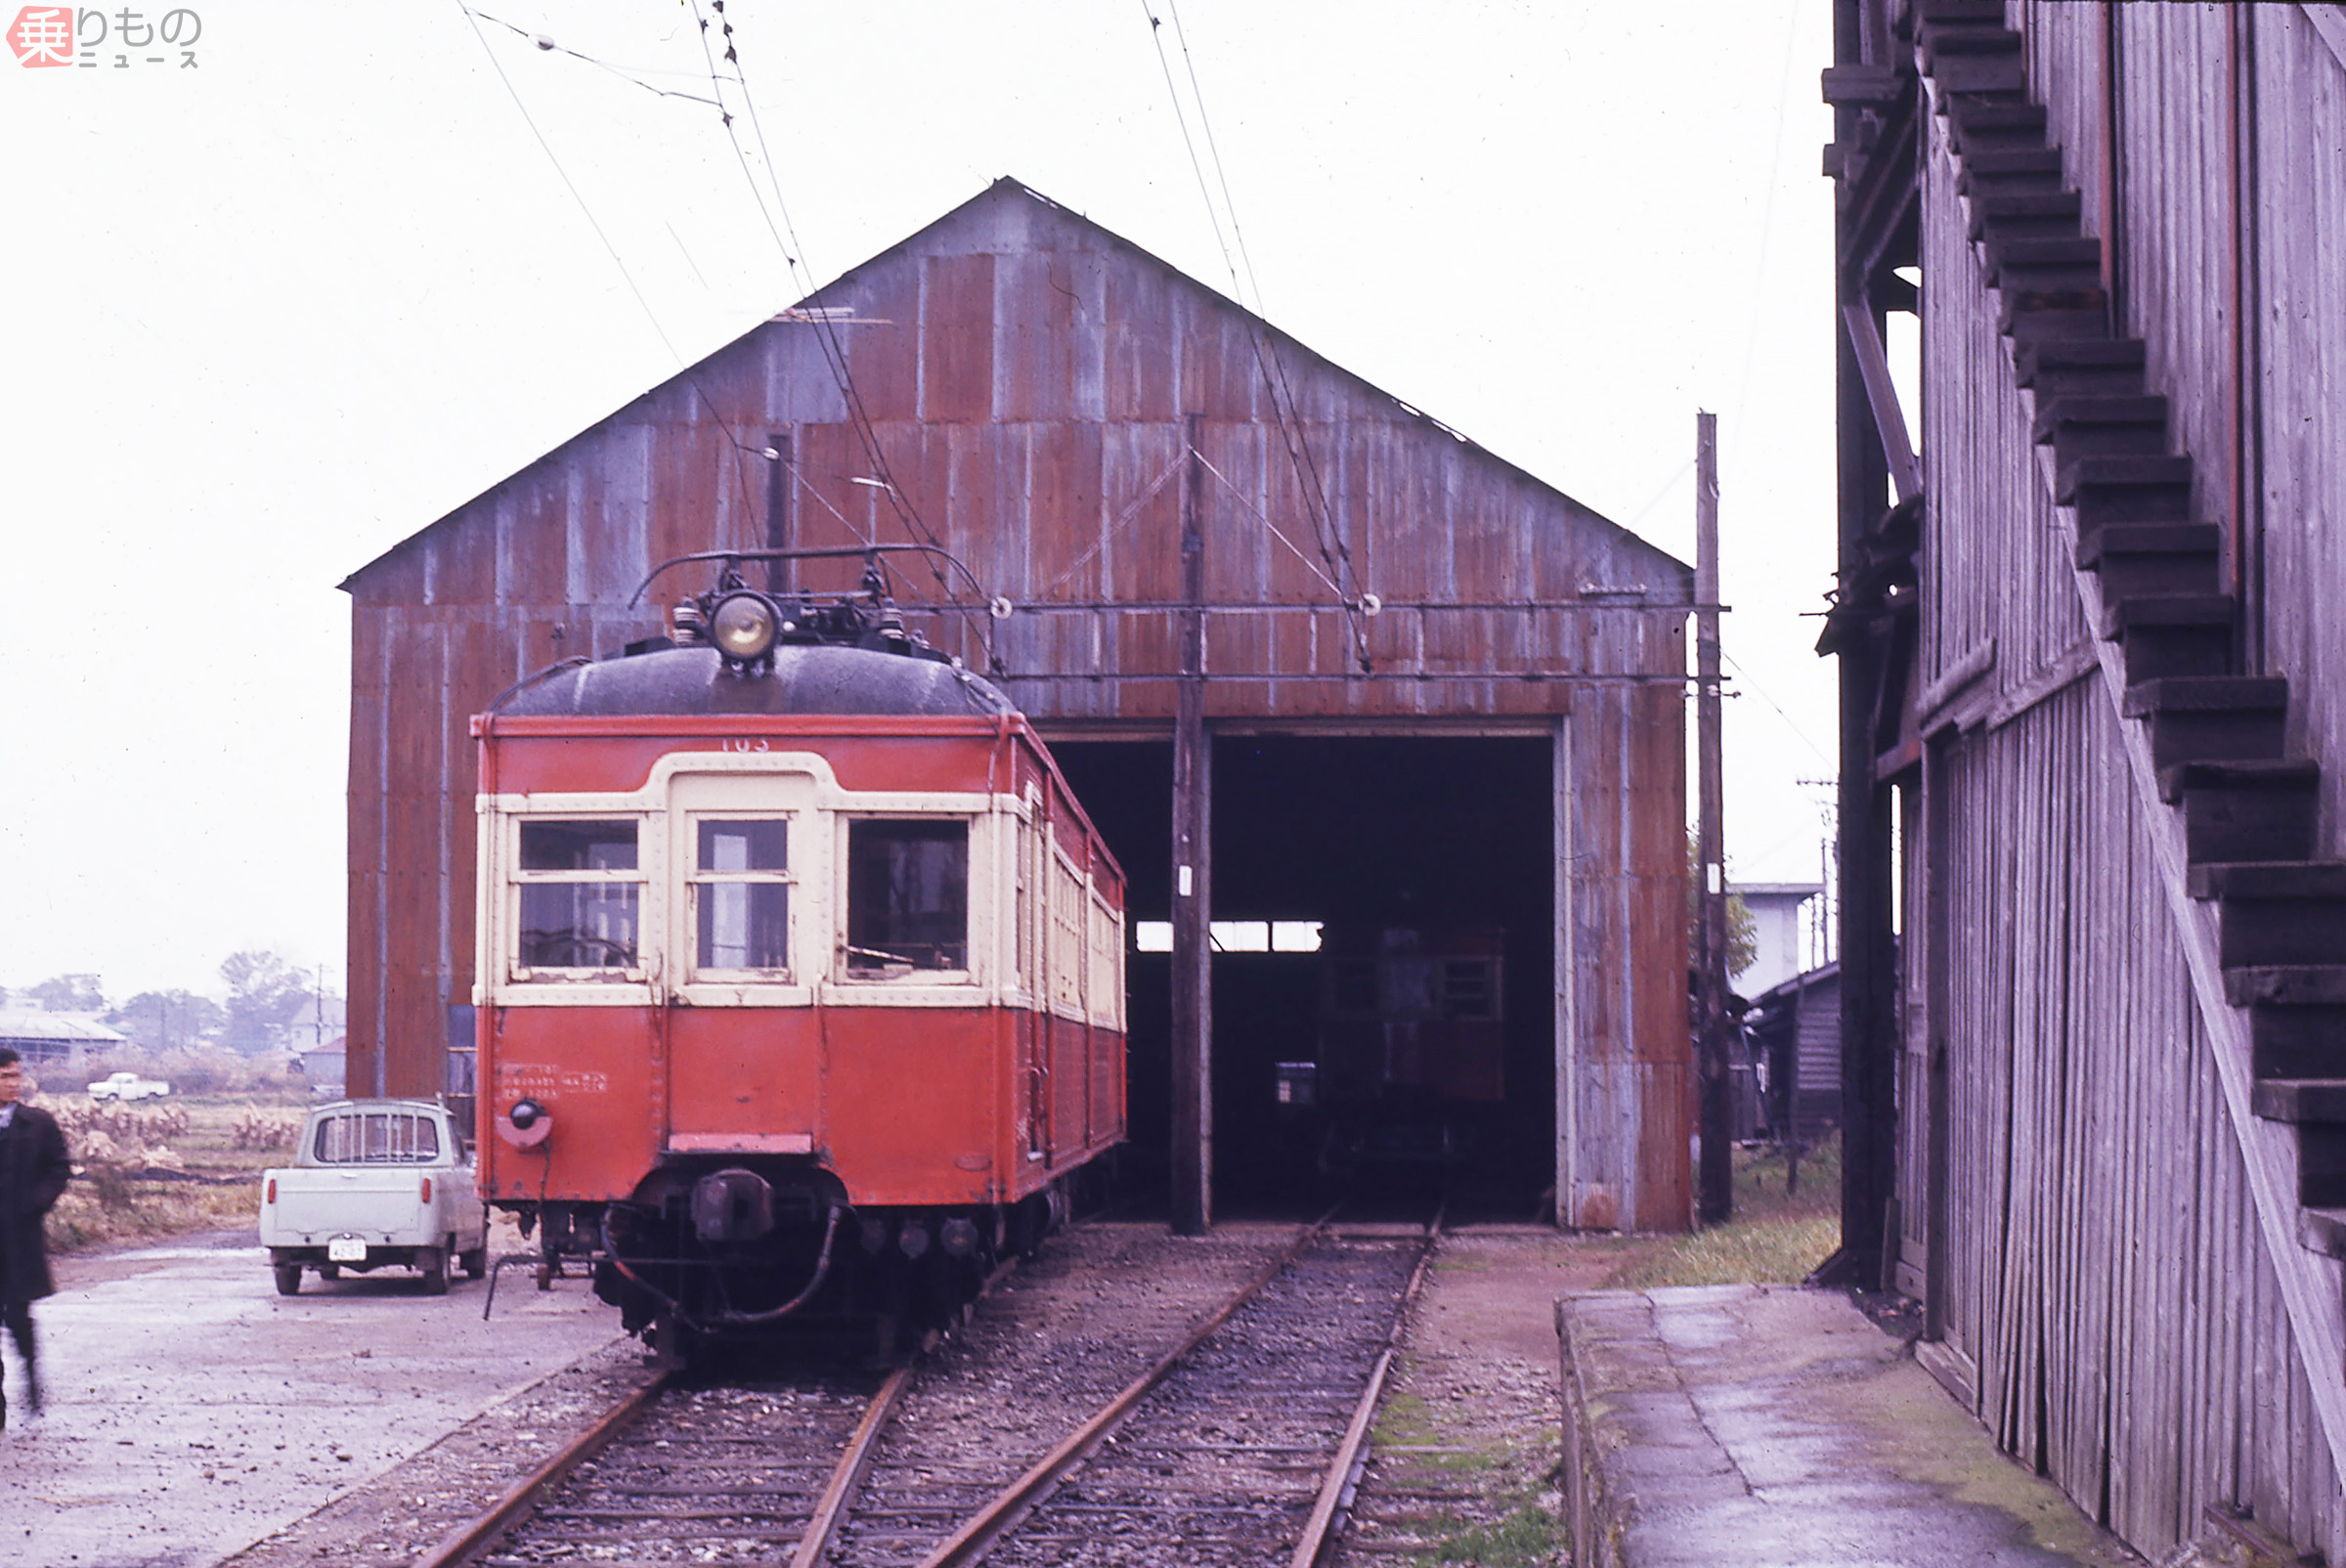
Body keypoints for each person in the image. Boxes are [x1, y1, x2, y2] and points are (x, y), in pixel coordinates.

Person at [0, 1048, 72, 1428]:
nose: (12, 1084)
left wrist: (36, 1203)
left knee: (18, 1317)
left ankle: (31, 1385)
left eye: (16, 1076)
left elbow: (59, 1167)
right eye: (4, 1077)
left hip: (19, 1239)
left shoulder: (38, 1124)